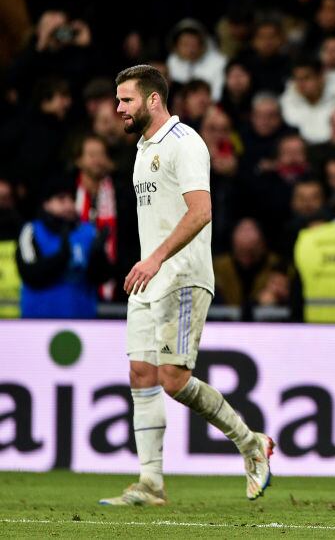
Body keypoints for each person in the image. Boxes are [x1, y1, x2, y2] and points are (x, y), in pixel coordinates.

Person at [101, 65, 272, 506]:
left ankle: (251, 442)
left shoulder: (185, 143)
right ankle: (150, 483)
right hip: (149, 278)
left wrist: (156, 258)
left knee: (174, 380)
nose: (118, 108)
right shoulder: (142, 149)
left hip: (180, 276)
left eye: (126, 100)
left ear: (153, 99)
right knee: (141, 373)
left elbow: (201, 211)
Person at [15, 174, 114, 319]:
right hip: (37, 326)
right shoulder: (31, 231)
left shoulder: (88, 232)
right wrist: (62, 257)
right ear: (46, 203)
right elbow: (31, 273)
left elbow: (102, 277)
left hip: (82, 326)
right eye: (61, 199)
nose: (68, 205)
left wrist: (98, 256)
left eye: (71, 199)